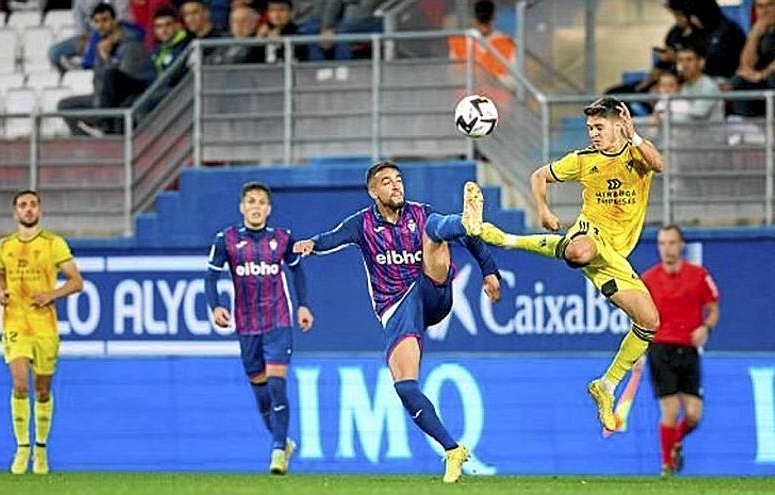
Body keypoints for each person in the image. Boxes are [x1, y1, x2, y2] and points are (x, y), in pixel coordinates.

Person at [293, 162, 501, 483]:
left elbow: (470, 241)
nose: (396, 186)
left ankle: (464, 219)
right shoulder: (361, 224)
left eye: (399, 180)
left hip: (433, 292)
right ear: (373, 191)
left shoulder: (419, 213)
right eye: (387, 182)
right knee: (405, 387)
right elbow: (331, 238)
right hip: (396, 308)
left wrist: (488, 271)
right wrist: (312, 244)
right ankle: (452, 450)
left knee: (434, 230)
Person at [474, 96, 665, 432]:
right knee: (580, 252)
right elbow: (538, 176)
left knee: (649, 321)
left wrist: (634, 135)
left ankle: (606, 384)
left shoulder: (637, 152)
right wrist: (544, 211)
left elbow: (659, 164)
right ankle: (506, 239)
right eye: (590, 127)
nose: (593, 133)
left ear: (619, 124)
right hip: (590, 234)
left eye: (599, 126)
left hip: (616, 256)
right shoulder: (582, 160)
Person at [204, 181, 314, 475]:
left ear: (268, 208)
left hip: (278, 322)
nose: (255, 206)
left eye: (261, 202)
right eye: (250, 201)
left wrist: (303, 305)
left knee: (277, 387)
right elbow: (211, 278)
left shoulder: (282, 238)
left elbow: (297, 270)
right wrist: (215, 306)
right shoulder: (225, 240)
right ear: (242, 207)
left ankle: (278, 450)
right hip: (247, 326)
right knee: (262, 396)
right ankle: (282, 441)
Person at [0, 190, 84, 475]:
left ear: (40, 211)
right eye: (23, 205)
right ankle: (22, 449)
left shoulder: (53, 244)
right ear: (15, 212)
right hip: (15, 323)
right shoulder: (4, 245)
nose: (28, 209)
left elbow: (76, 281)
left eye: (33, 205)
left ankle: (41, 450)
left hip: (45, 326)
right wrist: (0, 291)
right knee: (20, 385)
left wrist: (51, 294)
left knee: (42, 390)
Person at [641, 225, 719, 477]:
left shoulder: (698, 275)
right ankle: (666, 466)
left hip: (687, 349)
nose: (667, 249)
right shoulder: (649, 279)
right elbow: (639, 318)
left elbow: (713, 308)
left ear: (681, 245)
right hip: (660, 347)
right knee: (670, 411)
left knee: (694, 414)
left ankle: (675, 441)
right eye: (662, 244)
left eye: (672, 243)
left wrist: (706, 327)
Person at [57, 2, 156, 136]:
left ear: (114, 20)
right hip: (102, 98)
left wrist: (106, 59)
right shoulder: (98, 44)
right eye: (96, 21)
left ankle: (103, 124)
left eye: (105, 20)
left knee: (110, 76)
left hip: (130, 93)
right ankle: (86, 140)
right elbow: (98, 77)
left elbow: (122, 79)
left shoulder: (131, 42)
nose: (101, 25)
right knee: (64, 106)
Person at [448, 0, 517, 88]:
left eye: (487, 20)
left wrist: (493, 79)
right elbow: (450, 77)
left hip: (496, 99)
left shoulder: (506, 43)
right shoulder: (459, 42)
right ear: (473, 20)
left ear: (494, 19)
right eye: (480, 20)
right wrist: (470, 78)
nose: (484, 25)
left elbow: (515, 82)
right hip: (466, 98)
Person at [48, 0, 131, 72]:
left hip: (115, 35)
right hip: (90, 36)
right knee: (54, 52)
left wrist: (109, 39)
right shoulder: (80, 1)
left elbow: (122, 23)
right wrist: (84, 39)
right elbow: (80, 27)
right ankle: (70, 76)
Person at [730, 0, 775, 116]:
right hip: (762, 78)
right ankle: (746, 125)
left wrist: (764, 73)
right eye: (760, 6)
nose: (764, 11)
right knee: (738, 80)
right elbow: (745, 64)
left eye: (770, 5)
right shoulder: (759, 29)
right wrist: (753, 35)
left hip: (769, 76)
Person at [673, 44, 723, 122]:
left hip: (708, 133)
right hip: (687, 132)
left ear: (701, 63)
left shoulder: (708, 86)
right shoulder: (684, 86)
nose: (684, 64)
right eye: (680, 60)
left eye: (689, 60)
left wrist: (664, 119)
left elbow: (696, 116)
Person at [151, 6, 189, 75]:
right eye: (159, 26)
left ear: (178, 26)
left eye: (168, 25)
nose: (163, 30)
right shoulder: (156, 51)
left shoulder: (187, 46)